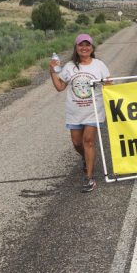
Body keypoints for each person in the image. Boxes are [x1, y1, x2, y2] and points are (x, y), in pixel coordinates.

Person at [49, 34, 111, 193]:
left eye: (87, 45)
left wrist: (107, 83)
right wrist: (52, 72)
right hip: (74, 112)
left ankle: (89, 178)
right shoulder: (70, 66)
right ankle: (86, 158)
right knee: (77, 143)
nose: (84, 48)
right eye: (81, 45)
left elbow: (109, 84)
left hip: (93, 110)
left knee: (88, 141)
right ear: (76, 48)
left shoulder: (99, 65)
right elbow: (60, 87)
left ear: (92, 48)